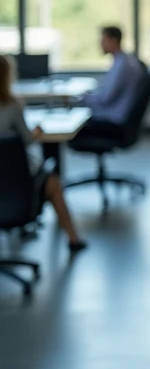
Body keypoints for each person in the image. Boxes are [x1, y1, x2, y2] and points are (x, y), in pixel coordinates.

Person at [0, 56, 87, 251]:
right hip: (16, 186)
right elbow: (28, 139)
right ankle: (73, 239)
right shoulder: (12, 106)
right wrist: (37, 132)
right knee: (53, 182)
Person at [72, 25, 144, 141]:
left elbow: (105, 98)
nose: (100, 44)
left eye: (103, 41)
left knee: (70, 126)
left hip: (113, 121)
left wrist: (82, 99)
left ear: (113, 41)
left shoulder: (122, 65)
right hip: (118, 117)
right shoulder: (124, 61)